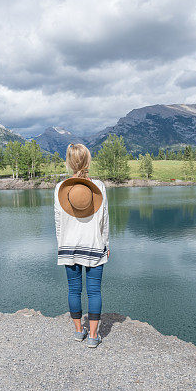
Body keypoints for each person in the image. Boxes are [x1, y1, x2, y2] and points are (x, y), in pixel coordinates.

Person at [54, 143, 109, 348]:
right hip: (94, 244)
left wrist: (62, 245)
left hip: (69, 246)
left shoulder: (61, 188)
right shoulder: (99, 186)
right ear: (88, 161)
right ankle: (93, 336)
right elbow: (104, 219)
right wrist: (106, 244)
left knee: (74, 290)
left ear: (69, 162)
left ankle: (79, 332)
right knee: (94, 291)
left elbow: (58, 221)